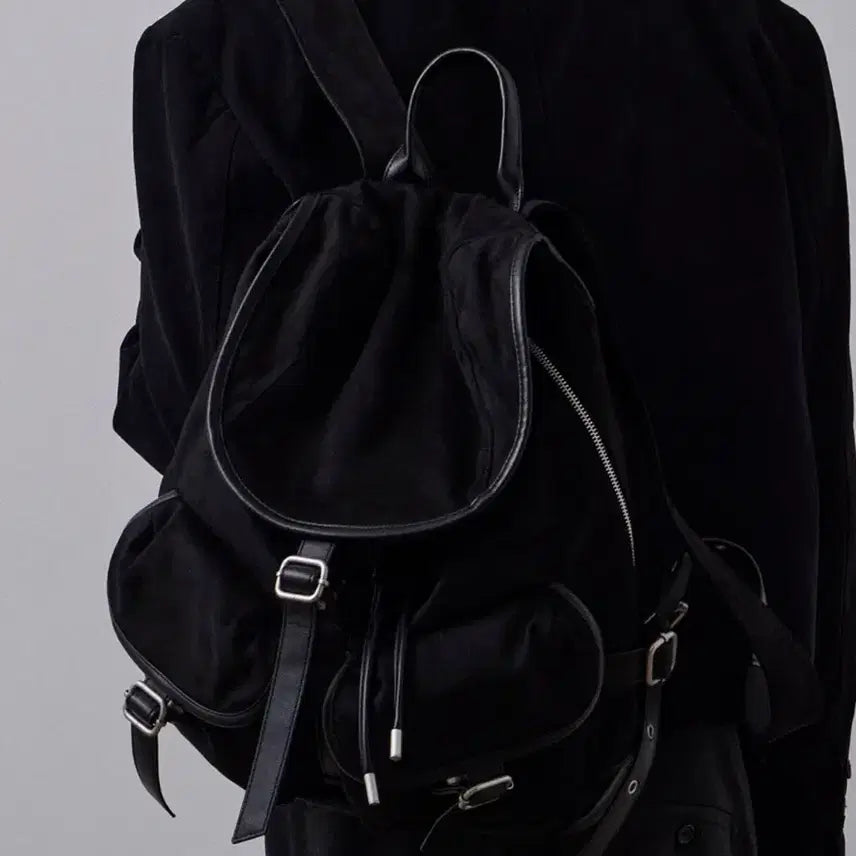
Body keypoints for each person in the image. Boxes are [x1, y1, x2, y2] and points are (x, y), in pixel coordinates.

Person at [114, 0, 854, 853]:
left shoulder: (219, 47)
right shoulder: (747, 40)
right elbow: (807, 467)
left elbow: (196, 434)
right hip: (672, 767)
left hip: (369, 752)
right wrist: (805, 800)